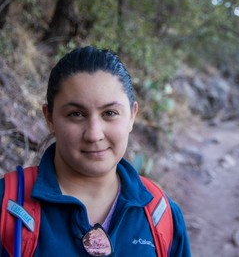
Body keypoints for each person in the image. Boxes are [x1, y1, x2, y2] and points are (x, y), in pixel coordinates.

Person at [0, 46, 191, 256]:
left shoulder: (161, 215)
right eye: (76, 114)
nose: (94, 134)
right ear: (49, 118)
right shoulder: (7, 207)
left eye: (110, 113)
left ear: (132, 116)